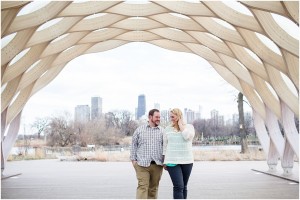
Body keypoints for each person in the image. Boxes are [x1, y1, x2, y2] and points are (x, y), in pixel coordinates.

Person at [130, 109, 164, 199]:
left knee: (153, 189)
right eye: (156, 117)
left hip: (157, 165)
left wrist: (165, 161)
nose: (158, 119)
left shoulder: (162, 131)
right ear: (150, 117)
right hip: (142, 165)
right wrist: (133, 161)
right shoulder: (139, 130)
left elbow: (166, 147)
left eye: (159, 117)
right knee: (142, 187)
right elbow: (133, 145)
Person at [163, 108, 195, 199]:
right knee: (178, 186)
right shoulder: (167, 129)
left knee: (184, 186)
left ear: (179, 116)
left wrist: (181, 126)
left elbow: (187, 137)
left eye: (173, 116)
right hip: (172, 160)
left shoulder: (189, 127)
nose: (171, 118)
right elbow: (165, 146)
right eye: (170, 117)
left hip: (187, 160)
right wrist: (164, 161)